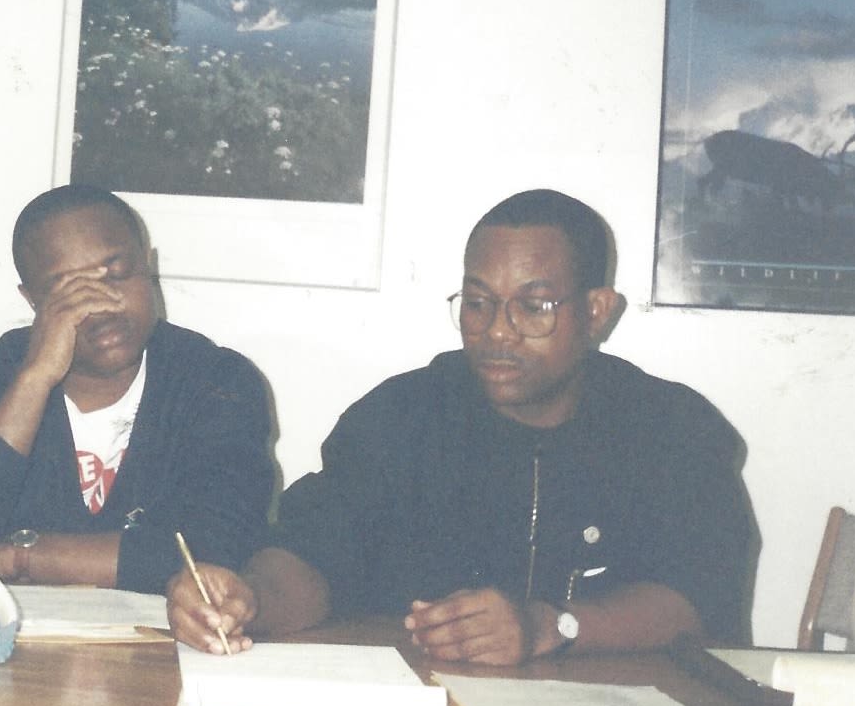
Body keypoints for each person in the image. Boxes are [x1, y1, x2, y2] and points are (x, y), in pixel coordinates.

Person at [170, 188, 754, 664]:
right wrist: (248, 598)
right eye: (477, 303)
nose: (497, 331)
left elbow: (699, 597)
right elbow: (311, 551)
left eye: (534, 306)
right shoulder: (401, 417)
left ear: (597, 311)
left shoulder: (673, 429)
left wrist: (549, 626)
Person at [0, 185, 275, 594]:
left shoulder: (216, 380)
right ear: (31, 300)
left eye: (116, 274)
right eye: (65, 291)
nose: (101, 305)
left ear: (149, 267)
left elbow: (220, 554)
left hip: (169, 646)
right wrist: (35, 378)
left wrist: (24, 556)